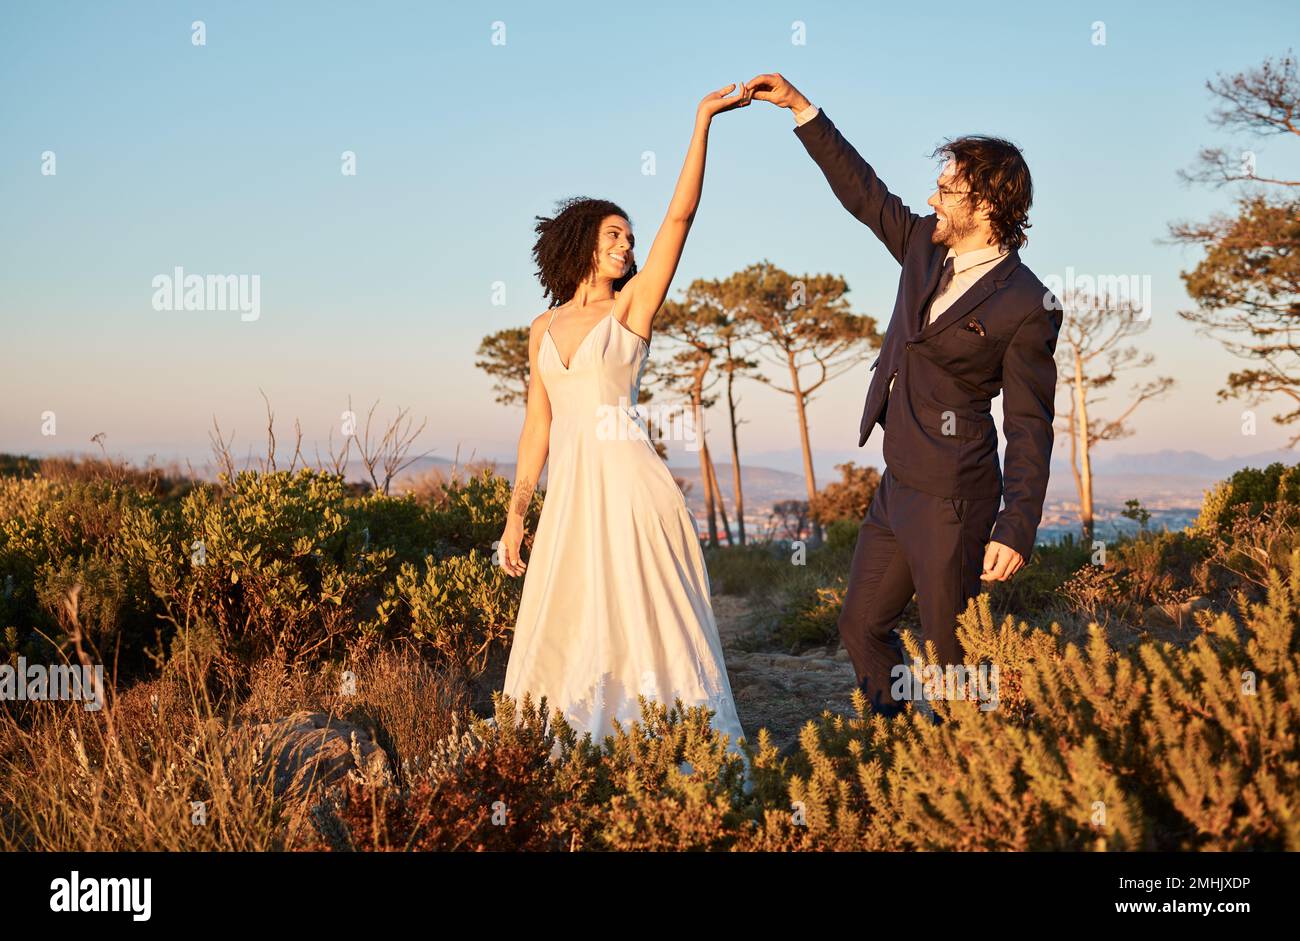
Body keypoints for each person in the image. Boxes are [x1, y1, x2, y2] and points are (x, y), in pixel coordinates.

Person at [747, 72, 1062, 718]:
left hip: (955, 497)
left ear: (989, 206)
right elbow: (863, 192)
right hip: (897, 485)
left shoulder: (1028, 303)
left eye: (948, 189)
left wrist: (1018, 523)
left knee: (953, 663)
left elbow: (1031, 423)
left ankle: (976, 779)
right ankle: (901, 751)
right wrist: (802, 109)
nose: (933, 197)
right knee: (861, 625)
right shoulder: (923, 244)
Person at [497, 83, 752, 763]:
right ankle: (575, 764)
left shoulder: (632, 308)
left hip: (634, 491)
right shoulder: (542, 329)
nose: (627, 245)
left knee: (649, 630)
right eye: (614, 234)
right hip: (573, 500)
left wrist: (702, 121)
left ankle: (679, 765)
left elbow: (681, 218)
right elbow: (536, 430)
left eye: (629, 239)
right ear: (581, 241)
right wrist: (518, 513)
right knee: (572, 622)